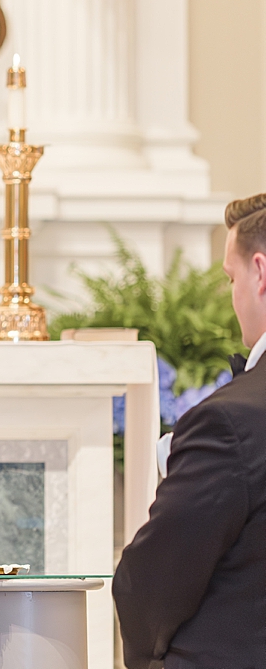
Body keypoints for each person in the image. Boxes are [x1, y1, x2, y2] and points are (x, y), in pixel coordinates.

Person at [114, 192, 266, 668]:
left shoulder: (229, 420)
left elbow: (150, 584)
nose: (232, 294)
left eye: (231, 278)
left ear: (260, 273)